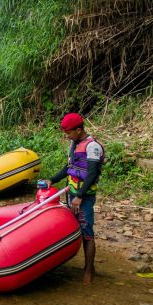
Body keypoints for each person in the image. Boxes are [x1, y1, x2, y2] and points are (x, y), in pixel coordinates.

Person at [49, 112, 104, 285]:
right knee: (75, 228)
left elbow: (93, 173)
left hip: (83, 197)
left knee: (87, 232)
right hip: (72, 194)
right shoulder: (74, 144)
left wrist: (80, 196)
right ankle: (86, 267)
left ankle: (89, 271)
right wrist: (52, 179)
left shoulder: (92, 147)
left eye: (69, 133)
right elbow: (69, 167)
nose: (67, 136)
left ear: (79, 129)